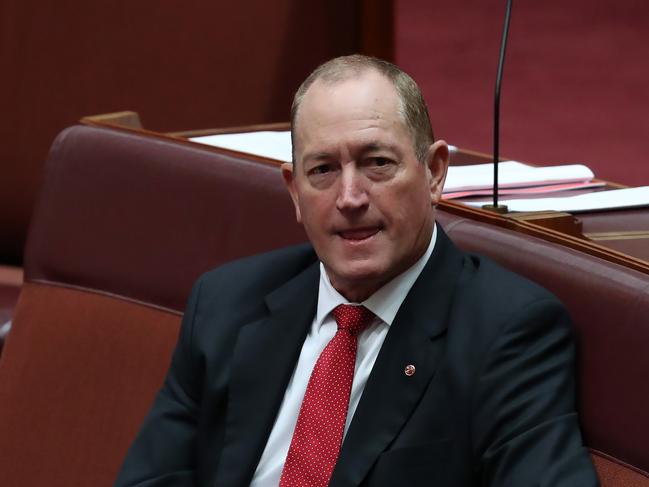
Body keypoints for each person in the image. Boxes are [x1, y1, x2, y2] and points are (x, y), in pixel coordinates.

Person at [115, 55, 598, 486]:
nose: (349, 198)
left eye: (377, 163)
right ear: (294, 191)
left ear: (434, 172)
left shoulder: (507, 332)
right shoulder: (226, 304)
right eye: (323, 170)